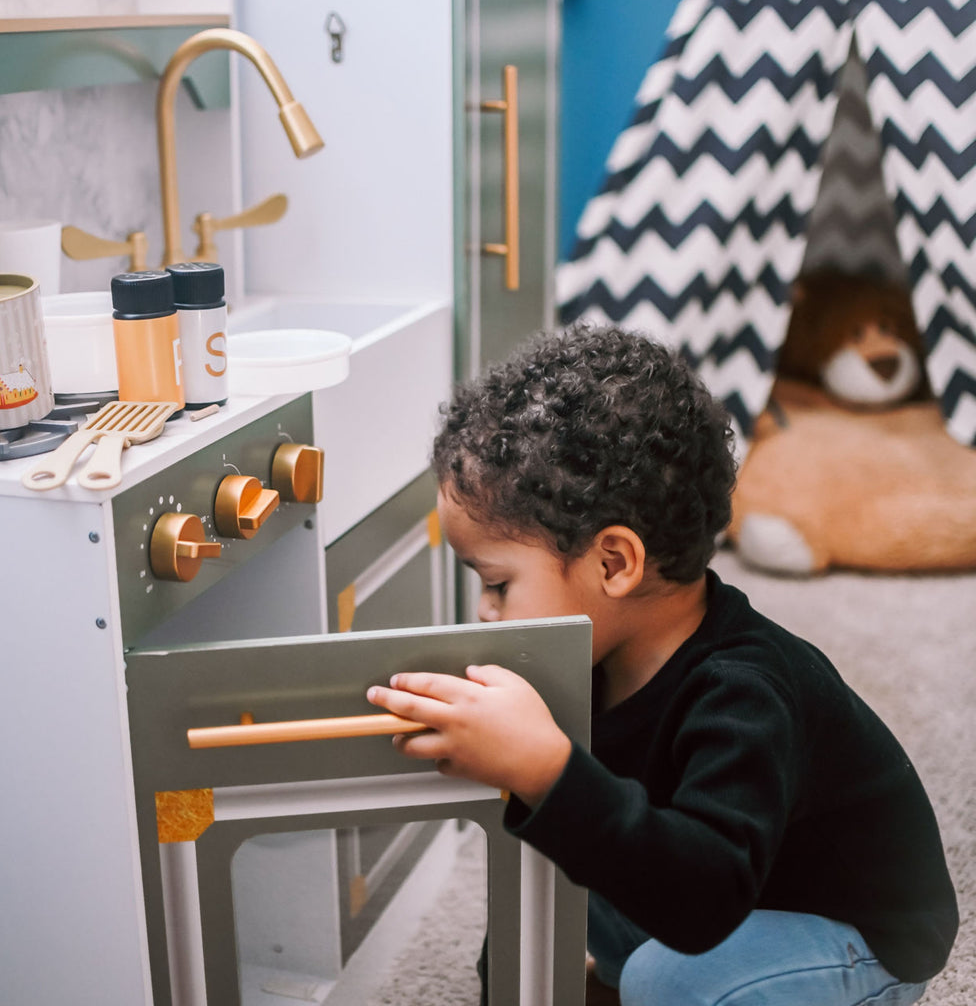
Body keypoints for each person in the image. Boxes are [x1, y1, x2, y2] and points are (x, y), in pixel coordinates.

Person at [366, 324, 958, 1006]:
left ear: (614, 563)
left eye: (498, 584)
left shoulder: (744, 692)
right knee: (555, 885)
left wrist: (544, 766)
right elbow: (572, 864)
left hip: (856, 937)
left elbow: (704, 902)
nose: (484, 611)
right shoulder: (587, 665)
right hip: (711, 881)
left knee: (665, 978)